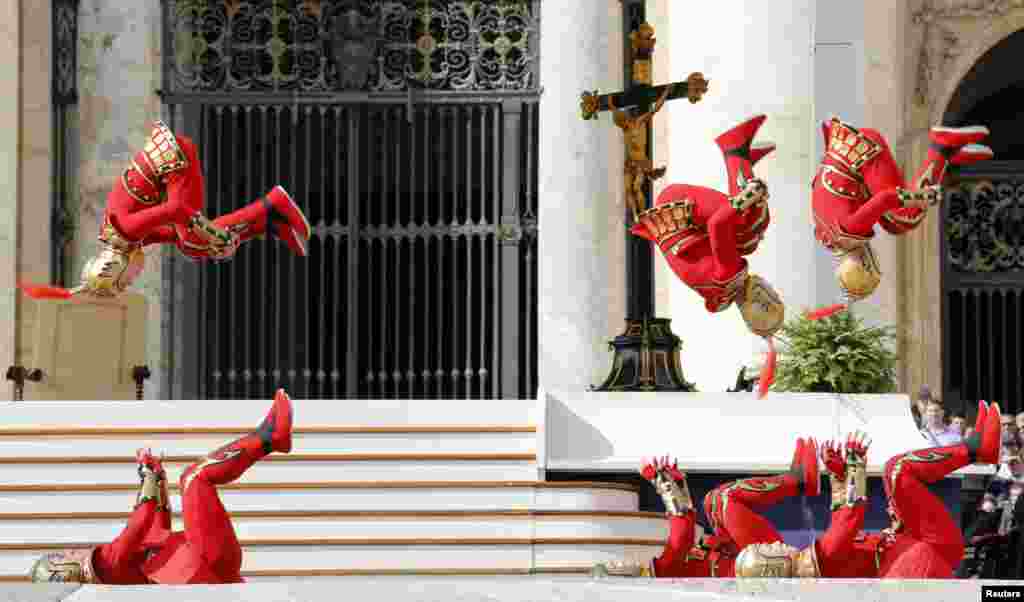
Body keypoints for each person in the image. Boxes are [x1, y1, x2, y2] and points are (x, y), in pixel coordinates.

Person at [20, 121, 311, 300]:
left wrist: (213, 234)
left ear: (118, 266)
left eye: (126, 281)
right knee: (191, 244)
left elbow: (175, 210)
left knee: (194, 241)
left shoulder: (126, 230)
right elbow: (171, 231)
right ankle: (270, 224)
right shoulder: (125, 238)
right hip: (173, 165)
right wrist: (217, 241)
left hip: (176, 163)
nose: (133, 280)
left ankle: (273, 204)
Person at [29, 389, 294, 584]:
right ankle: (270, 437)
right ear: (65, 571)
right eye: (64, 556)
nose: (70, 551)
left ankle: (269, 438)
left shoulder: (119, 572)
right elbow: (141, 521)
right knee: (193, 478)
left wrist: (157, 478)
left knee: (192, 479)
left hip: (209, 572)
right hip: (206, 562)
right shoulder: (107, 563)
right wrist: (147, 476)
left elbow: (158, 531)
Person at [734, 400, 1002, 578]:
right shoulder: (824, 556)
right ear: (773, 568)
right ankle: (977, 450)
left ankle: (976, 449)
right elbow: (851, 513)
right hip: (926, 554)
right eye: (767, 550)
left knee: (897, 471)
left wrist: (839, 473)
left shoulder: (821, 561)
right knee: (897, 470)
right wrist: (855, 463)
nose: (774, 543)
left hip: (919, 551)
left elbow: (841, 513)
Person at [629, 115, 785, 396]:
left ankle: (735, 151)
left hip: (679, 208)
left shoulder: (730, 274)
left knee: (748, 222)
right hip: (680, 225)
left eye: (771, 295)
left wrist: (750, 195)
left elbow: (718, 224)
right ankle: (743, 163)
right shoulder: (723, 292)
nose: (772, 289)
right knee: (748, 240)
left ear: (760, 296)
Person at [812, 117, 992, 302]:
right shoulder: (829, 239)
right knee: (893, 223)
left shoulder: (849, 232)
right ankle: (945, 158)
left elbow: (885, 199)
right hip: (846, 149)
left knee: (905, 218)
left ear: (866, 263)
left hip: (862, 150)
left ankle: (942, 147)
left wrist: (920, 197)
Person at [594, 438, 821, 577]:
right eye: (615, 566)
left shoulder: (660, 572)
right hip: (757, 566)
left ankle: (797, 481)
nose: (620, 561)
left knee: (712, 502)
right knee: (723, 499)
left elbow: (685, 533)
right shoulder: (661, 572)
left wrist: (674, 485)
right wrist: (664, 486)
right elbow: (682, 538)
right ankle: (797, 480)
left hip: (738, 556)